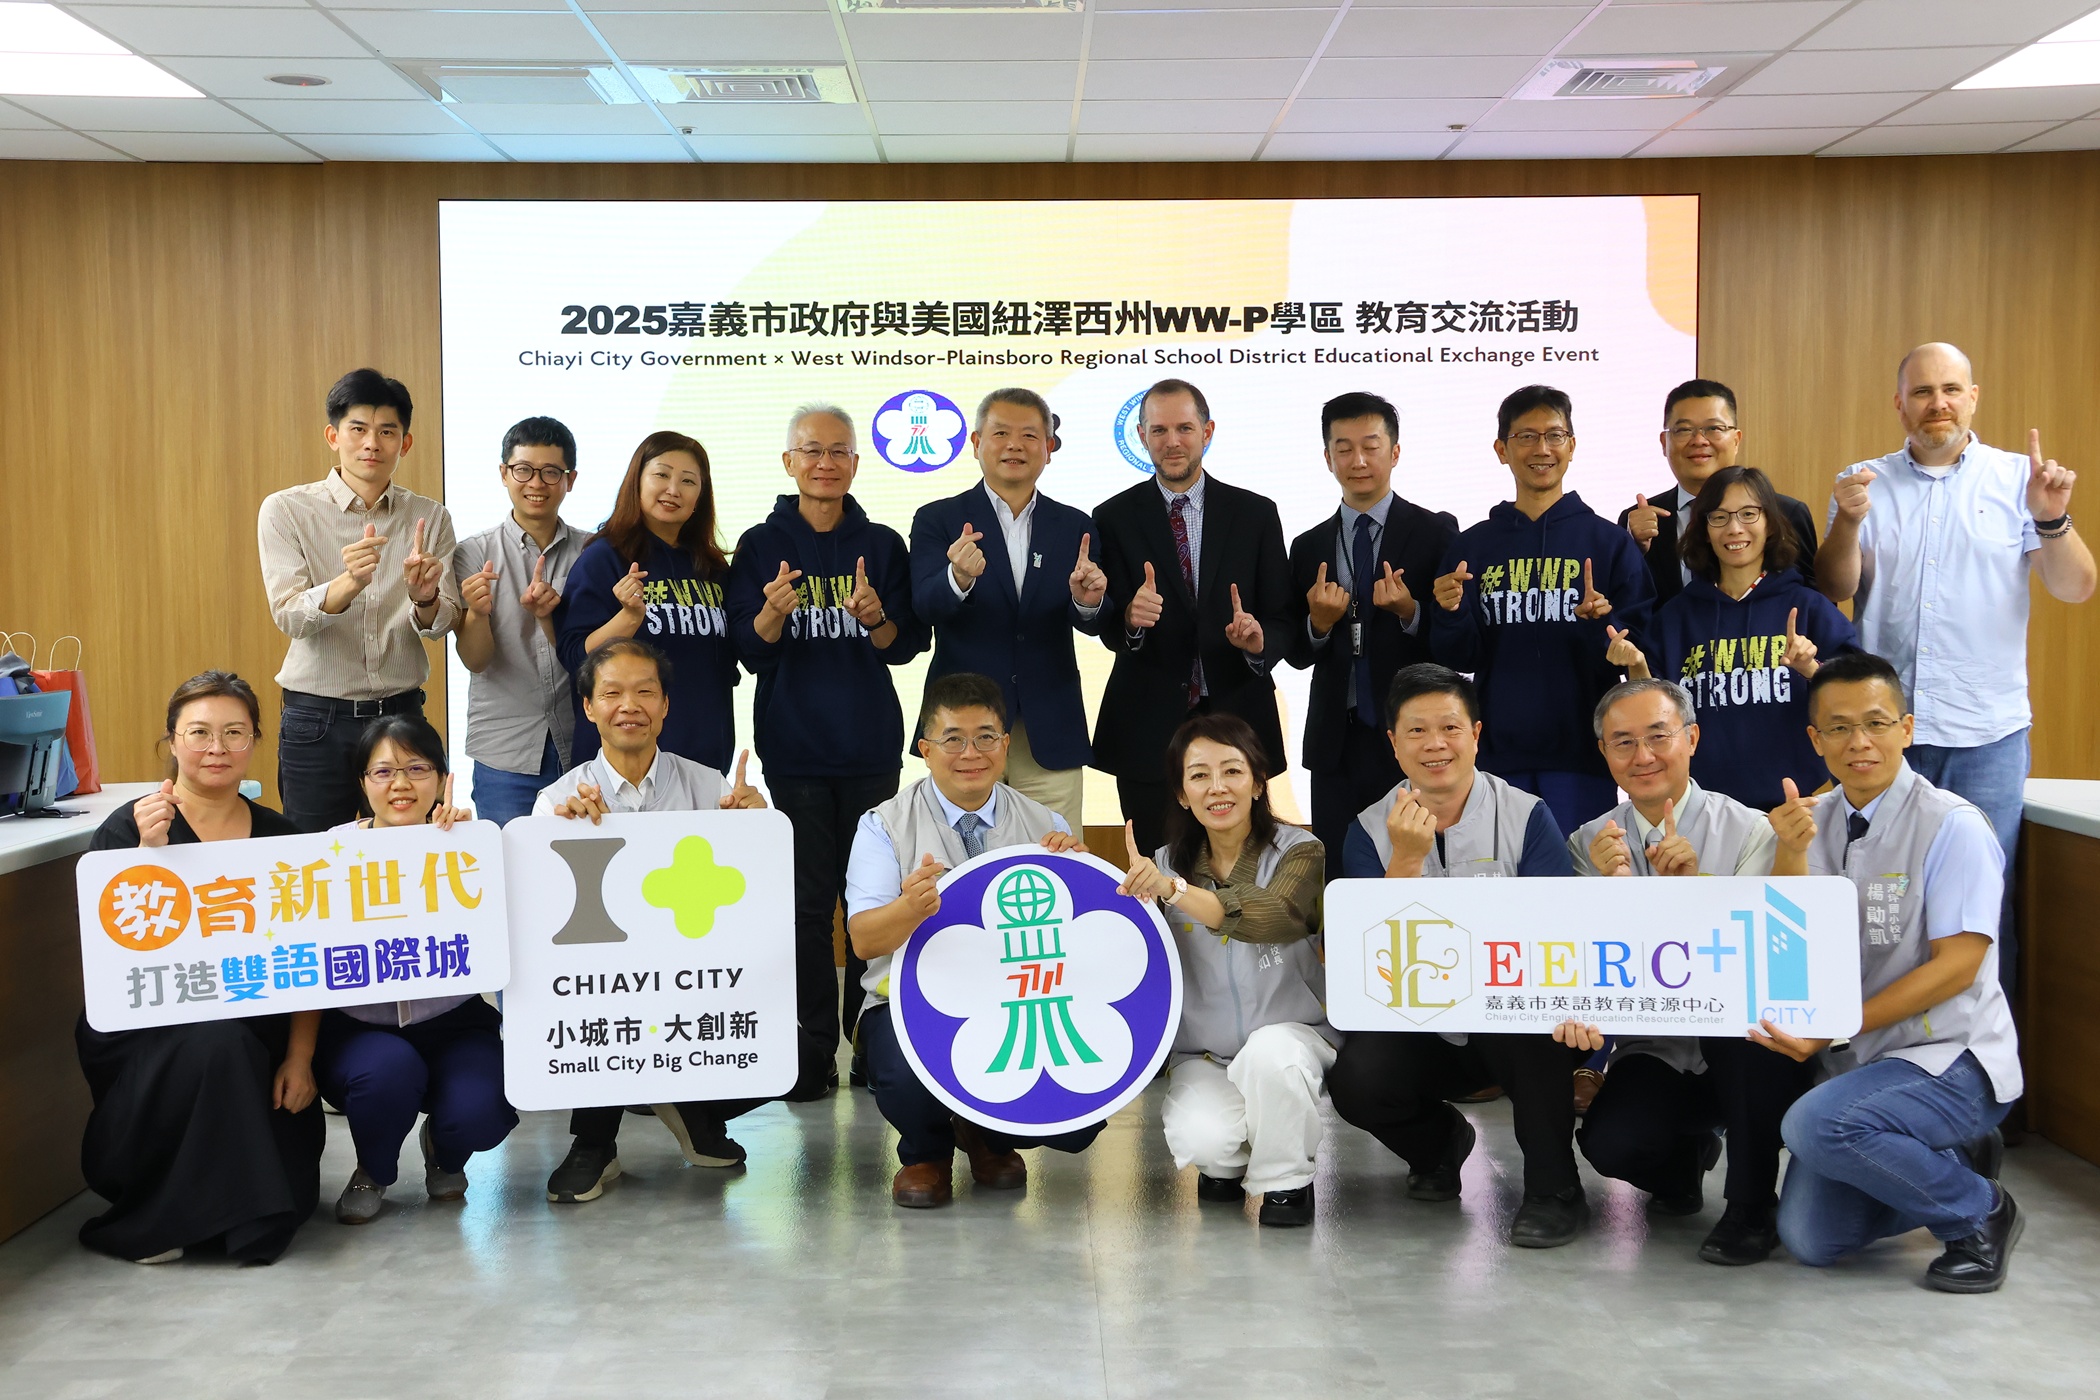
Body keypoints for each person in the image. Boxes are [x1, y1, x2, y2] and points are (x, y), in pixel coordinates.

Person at [1815, 343, 2094, 992]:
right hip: (1883, 736)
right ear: (1899, 404)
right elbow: (1834, 586)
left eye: (1949, 390)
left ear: (1973, 398)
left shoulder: (2018, 480)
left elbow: (2077, 586)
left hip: (1985, 736)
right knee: (1876, 901)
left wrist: (2052, 518)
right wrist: (1849, 522)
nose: (1936, 403)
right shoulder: (1863, 481)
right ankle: (1875, 1037)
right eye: (1921, 392)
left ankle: (1976, 1051)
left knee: (1981, 905)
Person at [1760, 652, 2025, 1293]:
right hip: (1864, 1063)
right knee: (1812, 1239)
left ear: (1906, 729)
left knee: (1813, 1125)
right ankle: (1948, 1160)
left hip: (1951, 1058)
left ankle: (1980, 1211)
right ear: (1815, 739)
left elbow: (1959, 966)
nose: (1859, 742)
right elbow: (1787, 945)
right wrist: (1789, 854)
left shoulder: (1952, 825)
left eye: (1876, 723)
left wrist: (1837, 1026)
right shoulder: (1806, 822)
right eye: (1839, 727)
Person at [1328, 664, 1592, 1249]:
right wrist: (1405, 860)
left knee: (1540, 1026)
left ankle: (1554, 1190)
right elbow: (1373, 964)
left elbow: (1557, 932)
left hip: (1509, 1020)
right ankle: (1439, 1146)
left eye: (1449, 727)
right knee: (1357, 1079)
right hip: (1421, 1028)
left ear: (1475, 734)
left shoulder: (1528, 815)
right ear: (1393, 743)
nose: (1435, 744)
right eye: (1416, 731)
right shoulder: (1367, 830)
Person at [1558, 678, 1814, 1266]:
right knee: (1610, 1144)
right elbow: (1581, 959)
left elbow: (1765, 956)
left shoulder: (1751, 829)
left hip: (1748, 1044)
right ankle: (1684, 1162)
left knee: (1744, 1041)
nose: (1642, 756)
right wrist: (1607, 892)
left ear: (1692, 738)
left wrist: (1695, 891)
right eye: (1623, 742)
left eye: (1659, 736)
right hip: (1658, 1047)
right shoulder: (1588, 843)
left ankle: (1752, 1207)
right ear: (1603, 752)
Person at [74, 672, 324, 1264]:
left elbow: (310, 961)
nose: (217, 748)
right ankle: (171, 1221)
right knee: (217, 1044)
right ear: (172, 740)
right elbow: (111, 955)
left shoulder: (283, 837)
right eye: (199, 733)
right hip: (151, 1031)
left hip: (259, 1026)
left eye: (234, 733)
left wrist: (300, 1057)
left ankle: (230, 1214)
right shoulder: (129, 828)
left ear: (255, 740)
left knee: (237, 1050)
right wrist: (147, 858)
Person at [728, 404, 929, 1101]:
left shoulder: (882, 542)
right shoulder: (759, 545)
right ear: (789, 462)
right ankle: (813, 1044)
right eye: (811, 450)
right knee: (807, 906)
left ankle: (870, 1038)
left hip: (869, 748)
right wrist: (771, 614)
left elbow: (905, 645)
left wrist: (876, 619)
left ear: (855, 463)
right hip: (795, 751)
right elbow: (748, 651)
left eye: (839, 451)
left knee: (871, 901)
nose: (825, 463)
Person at [843, 672, 1095, 1209]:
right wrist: (908, 910)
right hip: (908, 1002)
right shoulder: (883, 825)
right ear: (925, 749)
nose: (971, 754)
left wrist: (1078, 881)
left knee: (1080, 1117)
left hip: (1018, 999)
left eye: (985, 737)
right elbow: (863, 941)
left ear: (1005, 745)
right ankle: (925, 1152)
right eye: (953, 738)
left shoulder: (1045, 823)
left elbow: (1079, 942)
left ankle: (988, 1136)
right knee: (906, 1070)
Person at [531, 639, 769, 1203]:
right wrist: (560, 838)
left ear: (665, 705)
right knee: (600, 1004)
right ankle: (594, 1141)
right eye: (612, 693)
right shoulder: (556, 801)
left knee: (798, 1053)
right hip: (604, 983)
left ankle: (691, 1107)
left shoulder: (711, 787)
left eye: (645, 692)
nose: (629, 706)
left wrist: (756, 827)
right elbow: (544, 920)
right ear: (588, 707)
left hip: (697, 976)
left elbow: (754, 898)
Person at [1118, 714, 1331, 1227]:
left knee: (1270, 1057)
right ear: (1182, 794)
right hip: (1205, 1052)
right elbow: (1126, 949)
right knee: (1205, 1141)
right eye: (1199, 775)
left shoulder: (1301, 851)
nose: (1217, 787)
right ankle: (1228, 1162)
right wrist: (1076, 866)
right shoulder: (1164, 863)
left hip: (1292, 1036)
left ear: (1258, 783)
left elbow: (1274, 914)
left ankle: (1286, 1181)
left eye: (1232, 771)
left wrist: (1176, 892)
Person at [317, 715, 517, 1225]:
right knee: (386, 1073)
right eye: (383, 771)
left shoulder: (467, 843)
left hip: (452, 1021)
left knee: (484, 1107)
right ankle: (373, 1170)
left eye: (416, 768)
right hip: (360, 1027)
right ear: (363, 782)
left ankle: (445, 1154)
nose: (401, 784)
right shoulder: (329, 850)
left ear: (442, 777)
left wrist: (471, 852)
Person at [1430, 384, 1654, 836]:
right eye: (1526, 437)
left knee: (1580, 873)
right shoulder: (1473, 546)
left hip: (1583, 755)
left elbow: (1640, 651)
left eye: (1554, 435)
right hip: (1496, 758)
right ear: (1502, 450)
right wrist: (1450, 612)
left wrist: (1602, 626)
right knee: (1499, 874)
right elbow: (1459, 657)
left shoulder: (1608, 543)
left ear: (1572, 446)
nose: (1542, 449)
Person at [1093, 378, 1295, 855]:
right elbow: (1107, 625)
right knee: (1156, 870)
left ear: (1207, 431)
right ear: (1141, 437)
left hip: (1239, 719)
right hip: (1146, 728)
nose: (1172, 441)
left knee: (1244, 866)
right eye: (1159, 430)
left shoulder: (1255, 513)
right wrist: (1129, 619)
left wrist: (1258, 642)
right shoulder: (1112, 517)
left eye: (1184, 428)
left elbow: (1284, 618)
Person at [257, 369, 461, 832]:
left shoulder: (429, 516)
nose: (372, 443)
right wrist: (347, 584)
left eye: (387, 431)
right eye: (358, 429)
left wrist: (424, 598)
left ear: (405, 443)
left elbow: (444, 621)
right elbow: (289, 616)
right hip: (317, 719)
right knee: (313, 855)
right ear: (333, 436)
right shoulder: (286, 509)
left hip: (401, 713)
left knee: (409, 853)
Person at [908, 388, 1104, 833]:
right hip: (963, 730)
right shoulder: (938, 519)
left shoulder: (1075, 525)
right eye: (1000, 433)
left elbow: (1096, 617)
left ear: (1048, 448)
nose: (1015, 445)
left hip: (1049, 729)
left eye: (1029, 435)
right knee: (961, 856)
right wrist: (957, 577)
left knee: (1055, 857)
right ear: (976, 443)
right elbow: (923, 606)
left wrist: (1088, 601)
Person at [1606, 466, 1857, 810]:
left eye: (1749, 514)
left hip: (1795, 806)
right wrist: (1636, 665)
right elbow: (1651, 716)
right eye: (1719, 517)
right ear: (1704, 530)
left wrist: (1812, 669)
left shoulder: (1808, 607)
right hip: (1701, 810)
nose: (1734, 528)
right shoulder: (1675, 618)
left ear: (1770, 523)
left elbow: (1855, 696)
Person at [1288, 391, 1459, 881]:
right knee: (1341, 873)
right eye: (1343, 449)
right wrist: (1319, 623)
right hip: (1336, 740)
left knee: (1424, 866)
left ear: (1395, 452)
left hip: (1411, 734)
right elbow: (1296, 652)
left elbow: (1454, 640)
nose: (1358, 461)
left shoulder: (1436, 532)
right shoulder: (1308, 545)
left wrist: (1410, 611)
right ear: (1328, 458)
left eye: (1370, 446)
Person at [557, 430, 739, 773]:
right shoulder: (604, 558)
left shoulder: (712, 568)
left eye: (688, 481)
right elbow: (575, 656)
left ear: (701, 495)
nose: (673, 490)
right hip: (623, 765)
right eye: (661, 475)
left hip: (703, 763)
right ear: (637, 481)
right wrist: (628, 617)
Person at [453, 416, 587, 826]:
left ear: (570, 479)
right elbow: (475, 661)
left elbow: (598, 656)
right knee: (509, 860)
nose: (536, 483)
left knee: (587, 860)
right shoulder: (474, 554)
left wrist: (553, 617)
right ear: (504, 473)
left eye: (551, 472)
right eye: (523, 470)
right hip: (505, 752)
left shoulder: (594, 552)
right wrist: (477, 614)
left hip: (584, 745)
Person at [1619, 379, 1819, 604]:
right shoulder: (1637, 522)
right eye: (1684, 430)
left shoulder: (1787, 513)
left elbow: (1815, 601)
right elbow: (1627, 607)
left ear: (1736, 440)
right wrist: (1634, 549)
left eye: (1714, 428)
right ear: (1664, 443)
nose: (1699, 440)